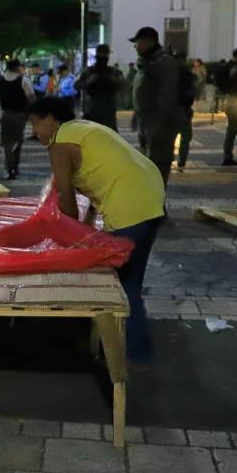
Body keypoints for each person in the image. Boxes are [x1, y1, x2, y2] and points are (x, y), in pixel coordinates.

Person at [30, 96, 167, 363]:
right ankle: (127, 342)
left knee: (122, 285)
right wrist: (88, 223)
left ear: (51, 119)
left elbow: (65, 195)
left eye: (35, 124)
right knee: (132, 278)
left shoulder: (59, 143)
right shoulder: (84, 128)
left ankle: (134, 352)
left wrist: (71, 236)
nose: (35, 132)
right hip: (152, 196)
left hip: (129, 207)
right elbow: (100, 175)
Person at [131, 26, 184, 183]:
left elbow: (167, 95)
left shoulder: (164, 62)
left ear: (148, 42)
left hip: (160, 126)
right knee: (148, 167)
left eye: (137, 42)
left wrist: (157, 125)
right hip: (147, 123)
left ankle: (157, 198)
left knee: (157, 167)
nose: (135, 46)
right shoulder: (148, 62)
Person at [0, 58, 36, 179]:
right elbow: (31, 97)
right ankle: (15, 165)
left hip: (5, 114)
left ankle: (8, 168)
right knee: (18, 140)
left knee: (5, 143)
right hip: (20, 115)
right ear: (17, 67)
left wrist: (0, 107)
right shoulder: (24, 80)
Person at [75, 45, 123, 130]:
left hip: (107, 107)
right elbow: (76, 85)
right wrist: (89, 81)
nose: (103, 56)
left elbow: (123, 86)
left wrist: (114, 80)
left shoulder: (113, 71)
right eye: (101, 54)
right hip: (93, 106)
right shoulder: (89, 71)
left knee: (107, 132)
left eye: (105, 54)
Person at [172, 51, 202, 172]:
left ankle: (169, 159)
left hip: (172, 110)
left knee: (171, 137)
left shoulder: (170, 73)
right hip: (183, 110)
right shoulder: (187, 74)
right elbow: (194, 91)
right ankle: (181, 161)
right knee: (185, 138)